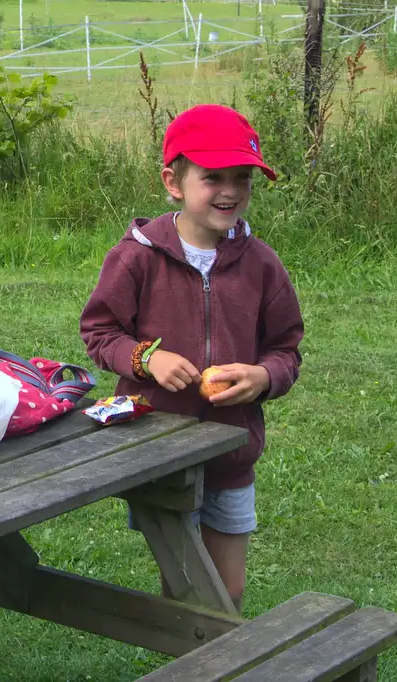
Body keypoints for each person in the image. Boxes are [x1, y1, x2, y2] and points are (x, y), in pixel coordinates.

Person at [79, 104, 303, 611]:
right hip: (159, 447)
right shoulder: (136, 257)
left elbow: (287, 348)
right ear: (173, 181)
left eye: (241, 178)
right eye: (213, 177)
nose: (230, 191)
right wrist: (144, 359)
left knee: (228, 589)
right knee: (184, 585)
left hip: (230, 452)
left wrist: (263, 376)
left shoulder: (262, 264)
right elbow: (99, 332)